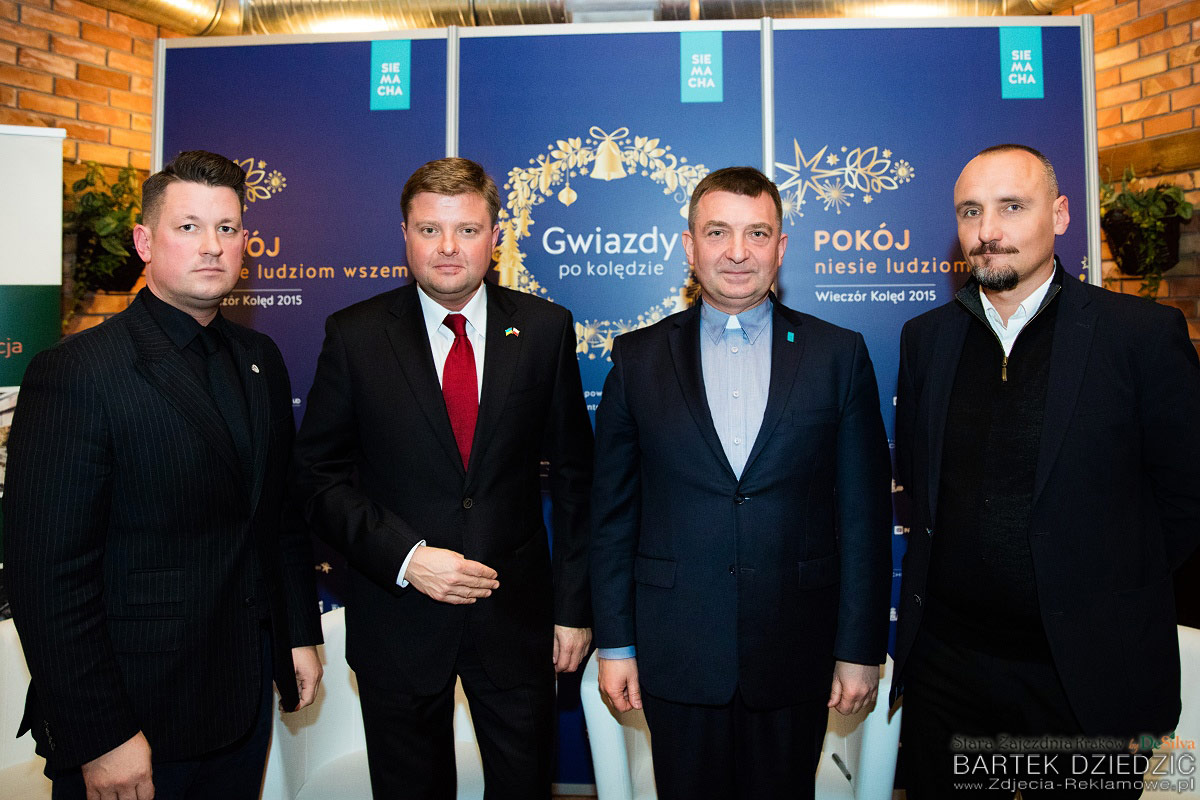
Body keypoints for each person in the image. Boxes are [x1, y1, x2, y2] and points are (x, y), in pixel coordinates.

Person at [4, 150, 323, 800]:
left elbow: (278, 518)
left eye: (228, 228)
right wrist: (100, 735)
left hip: (241, 703)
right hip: (133, 721)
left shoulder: (261, 359)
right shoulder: (78, 373)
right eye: (189, 227)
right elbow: (46, 578)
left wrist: (298, 635)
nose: (212, 246)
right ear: (145, 241)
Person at [894, 144, 1200, 798]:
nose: (989, 231)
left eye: (1012, 206)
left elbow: (1184, 501)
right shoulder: (926, 340)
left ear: (1060, 215)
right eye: (971, 211)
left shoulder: (1140, 336)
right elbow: (920, 486)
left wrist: (1103, 595)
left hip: (1085, 678)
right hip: (948, 672)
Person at [291, 157, 593, 799]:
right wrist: (407, 557)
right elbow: (316, 479)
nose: (449, 248)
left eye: (467, 230)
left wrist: (574, 608)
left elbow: (575, 480)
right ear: (404, 233)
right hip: (397, 619)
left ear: (495, 236)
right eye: (430, 230)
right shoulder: (354, 335)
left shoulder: (544, 328)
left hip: (516, 622)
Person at [589, 166, 893, 799]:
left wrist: (860, 647)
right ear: (689, 245)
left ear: (781, 248)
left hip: (794, 650)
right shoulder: (636, 358)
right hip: (676, 653)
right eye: (718, 231)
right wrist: (615, 642)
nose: (737, 251)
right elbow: (612, 516)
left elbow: (863, 517)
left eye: (758, 233)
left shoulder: (839, 355)